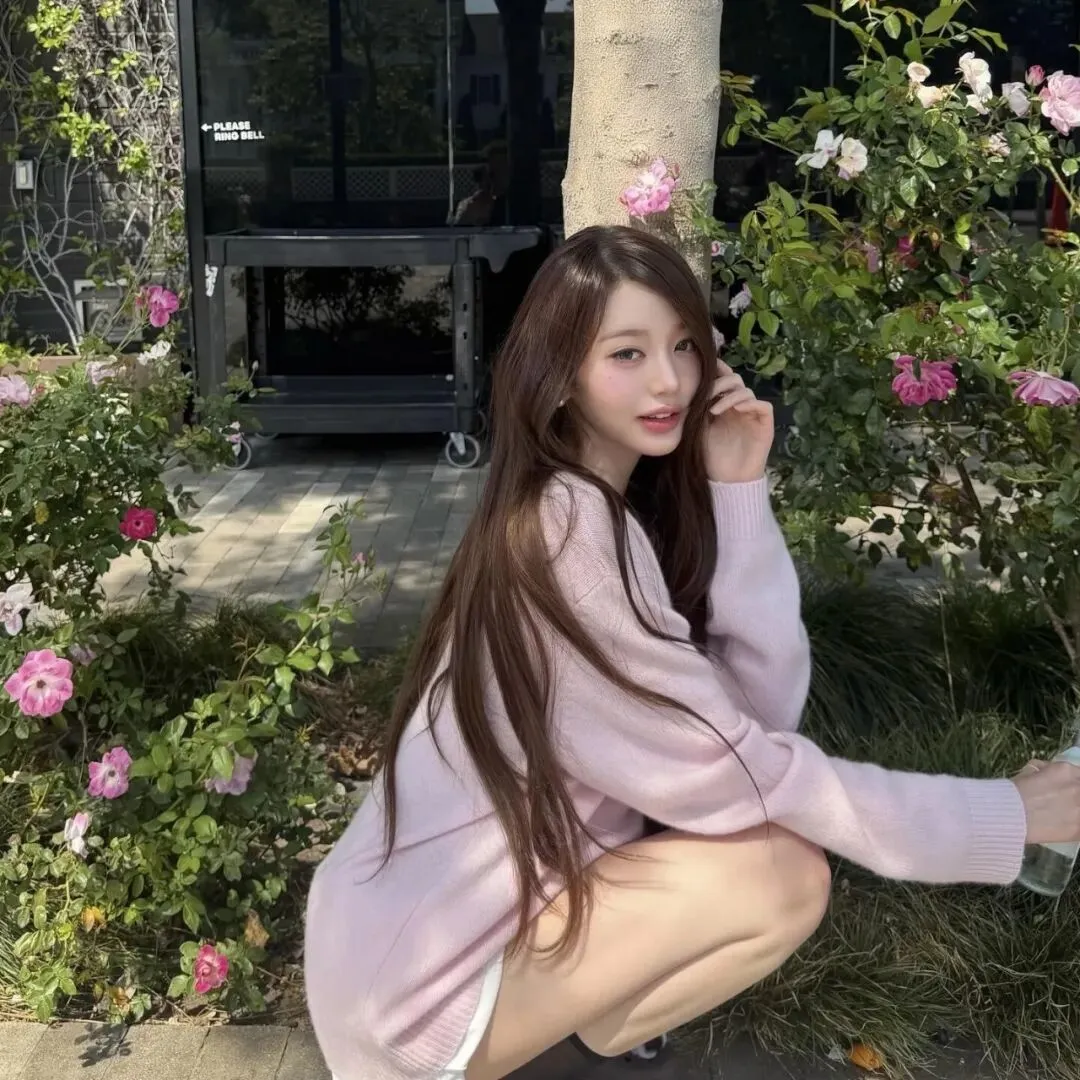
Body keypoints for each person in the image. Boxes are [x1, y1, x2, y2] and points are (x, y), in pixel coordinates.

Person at [304, 225, 1080, 1080]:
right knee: (783, 875)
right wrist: (1005, 815)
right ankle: (582, 1039)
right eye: (627, 354)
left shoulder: (582, 508)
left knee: (772, 856)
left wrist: (738, 487)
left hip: (406, 940)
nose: (670, 380)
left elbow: (746, 724)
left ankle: (599, 1033)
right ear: (559, 373)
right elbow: (753, 774)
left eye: (683, 345)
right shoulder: (567, 538)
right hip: (416, 991)